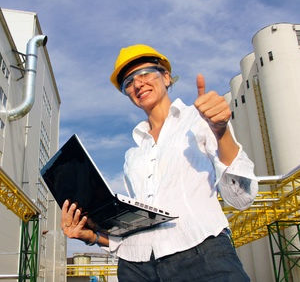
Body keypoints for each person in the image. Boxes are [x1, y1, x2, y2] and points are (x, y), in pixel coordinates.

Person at [61, 44, 258, 281]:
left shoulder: (199, 120)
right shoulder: (133, 155)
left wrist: (221, 130)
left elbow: (240, 197)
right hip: (135, 268)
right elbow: (140, 229)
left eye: (144, 74)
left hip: (202, 255)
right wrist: (92, 236)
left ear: (166, 77)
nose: (137, 84)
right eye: (128, 82)